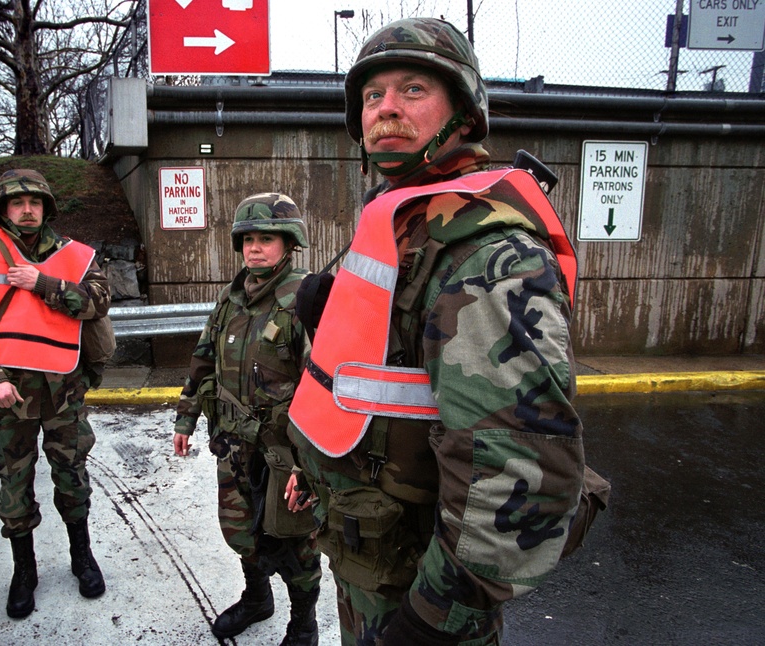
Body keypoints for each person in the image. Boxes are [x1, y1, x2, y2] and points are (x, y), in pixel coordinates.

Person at [284, 18, 596, 646]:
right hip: (367, 557)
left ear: (463, 111)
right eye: (373, 96)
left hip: (421, 598)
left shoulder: (486, 255)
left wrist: (431, 626)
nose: (387, 109)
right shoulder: (406, 218)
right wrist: (314, 465)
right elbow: (374, 379)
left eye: (413, 90)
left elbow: (518, 478)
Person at [0, 169, 111, 619]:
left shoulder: (76, 255)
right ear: (2, 209)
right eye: (16, 202)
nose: (26, 209)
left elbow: (97, 302)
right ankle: (25, 571)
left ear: (47, 207)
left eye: (34, 202)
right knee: (14, 485)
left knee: (72, 474)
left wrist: (43, 284)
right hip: (8, 393)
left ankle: (82, 556)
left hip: (64, 390)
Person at [173, 193, 322, 645]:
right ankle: (258, 599)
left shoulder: (305, 296)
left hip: (284, 455)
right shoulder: (232, 297)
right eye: (248, 240)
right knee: (242, 532)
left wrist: (309, 464)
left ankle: (304, 624)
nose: (255, 248)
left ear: (289, 242)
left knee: (296, 543)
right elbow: (203, 358)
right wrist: (186, 418)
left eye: (267, 239)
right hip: (233, 445)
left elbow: (325, 384)